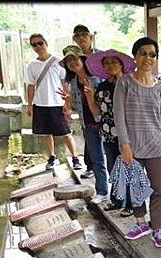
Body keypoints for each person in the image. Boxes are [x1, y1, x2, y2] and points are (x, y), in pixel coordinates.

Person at [114, 37, 161, 248]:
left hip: (156, 145)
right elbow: (118, 116)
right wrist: (125, 145)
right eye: (143, 53)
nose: (148, 58)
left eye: (152, 54)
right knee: (136, 186)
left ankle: (157, 228)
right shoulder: (125, 82)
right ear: (135, 56)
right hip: (133, 146)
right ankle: (140, 222)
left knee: (157, 189)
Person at [85, 49, 136, 215]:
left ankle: (130, 203)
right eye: (106, 63)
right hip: (108, 133)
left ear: (121, 64)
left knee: (128, 167)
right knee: (113, 167)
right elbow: (97, 113)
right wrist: (90, 96)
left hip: (126, 135)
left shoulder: (129, 83)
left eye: (114, 61)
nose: (110, 65)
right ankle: (116, 200)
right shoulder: (102, 86)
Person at [24, 33, 82, 171]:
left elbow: (64, 84)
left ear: (45, 43)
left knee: (65, 132)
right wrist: (30, 104)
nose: (38, 46)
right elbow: (31, 86)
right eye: (34, 44)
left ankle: (75, 157)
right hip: (40, 103)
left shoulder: (58, 62)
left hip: (57, 103)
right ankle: (52, 157)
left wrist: (67, 105)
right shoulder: (32, 65)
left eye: (40, 43)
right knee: (46, 132)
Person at [59, 45, 108, 205]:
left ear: (82, 59)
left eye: (74, 58)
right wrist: (68, 102)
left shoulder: (97, 77)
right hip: (88, 124)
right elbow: (76, 105)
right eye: (68, 61)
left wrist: (92, 96)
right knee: (97, 160)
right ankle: (102, 191)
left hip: (106, 123)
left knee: (114, 160)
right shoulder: (73, 82)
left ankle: (118, 193)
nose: (72, 63)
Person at [72, 24, 102, 178]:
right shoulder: (72, 58)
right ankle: (91, 167)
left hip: (103, 106)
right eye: (77, 35)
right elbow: (69, 82)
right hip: (83, 106)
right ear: (74, 39)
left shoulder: (101, 57)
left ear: (90, 37)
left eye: (84, 34)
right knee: (89, 137)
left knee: (109, 145)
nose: (81, 38)